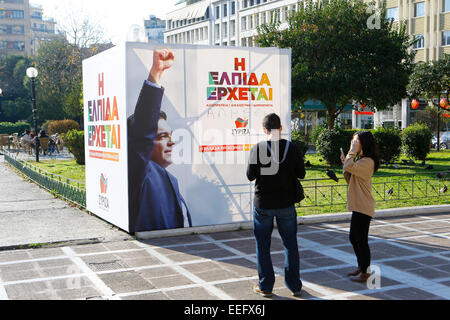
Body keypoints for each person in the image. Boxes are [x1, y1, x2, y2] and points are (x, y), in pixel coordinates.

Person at [128, 48, 192, 234]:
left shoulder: (169, 178)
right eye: (163, 136)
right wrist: (156, 74)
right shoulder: (139, 170)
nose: (172, 142)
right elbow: (142, 133)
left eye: (171, 136)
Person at [247, 113, 306, 298]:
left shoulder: (258, 149)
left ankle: (265, 286)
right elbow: (302, 174)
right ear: (281, 128)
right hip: (286, 204)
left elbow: (250, 175)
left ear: (264, 130)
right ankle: (294, 286)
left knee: (263, 246)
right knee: (290, 245)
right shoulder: (292, 148)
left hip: (263, 204)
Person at [341, 131, 380, 283]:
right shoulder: (361, 160)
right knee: (354, 238)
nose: (354, 143)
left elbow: (351, 167)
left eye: (356, 141)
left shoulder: (368, 161)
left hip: (364, 206)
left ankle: (365, 272)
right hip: (359, 205)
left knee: (361, 240)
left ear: (364, 143)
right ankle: (361, 266)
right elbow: (349, 179)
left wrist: (350, 153)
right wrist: (346, 163)